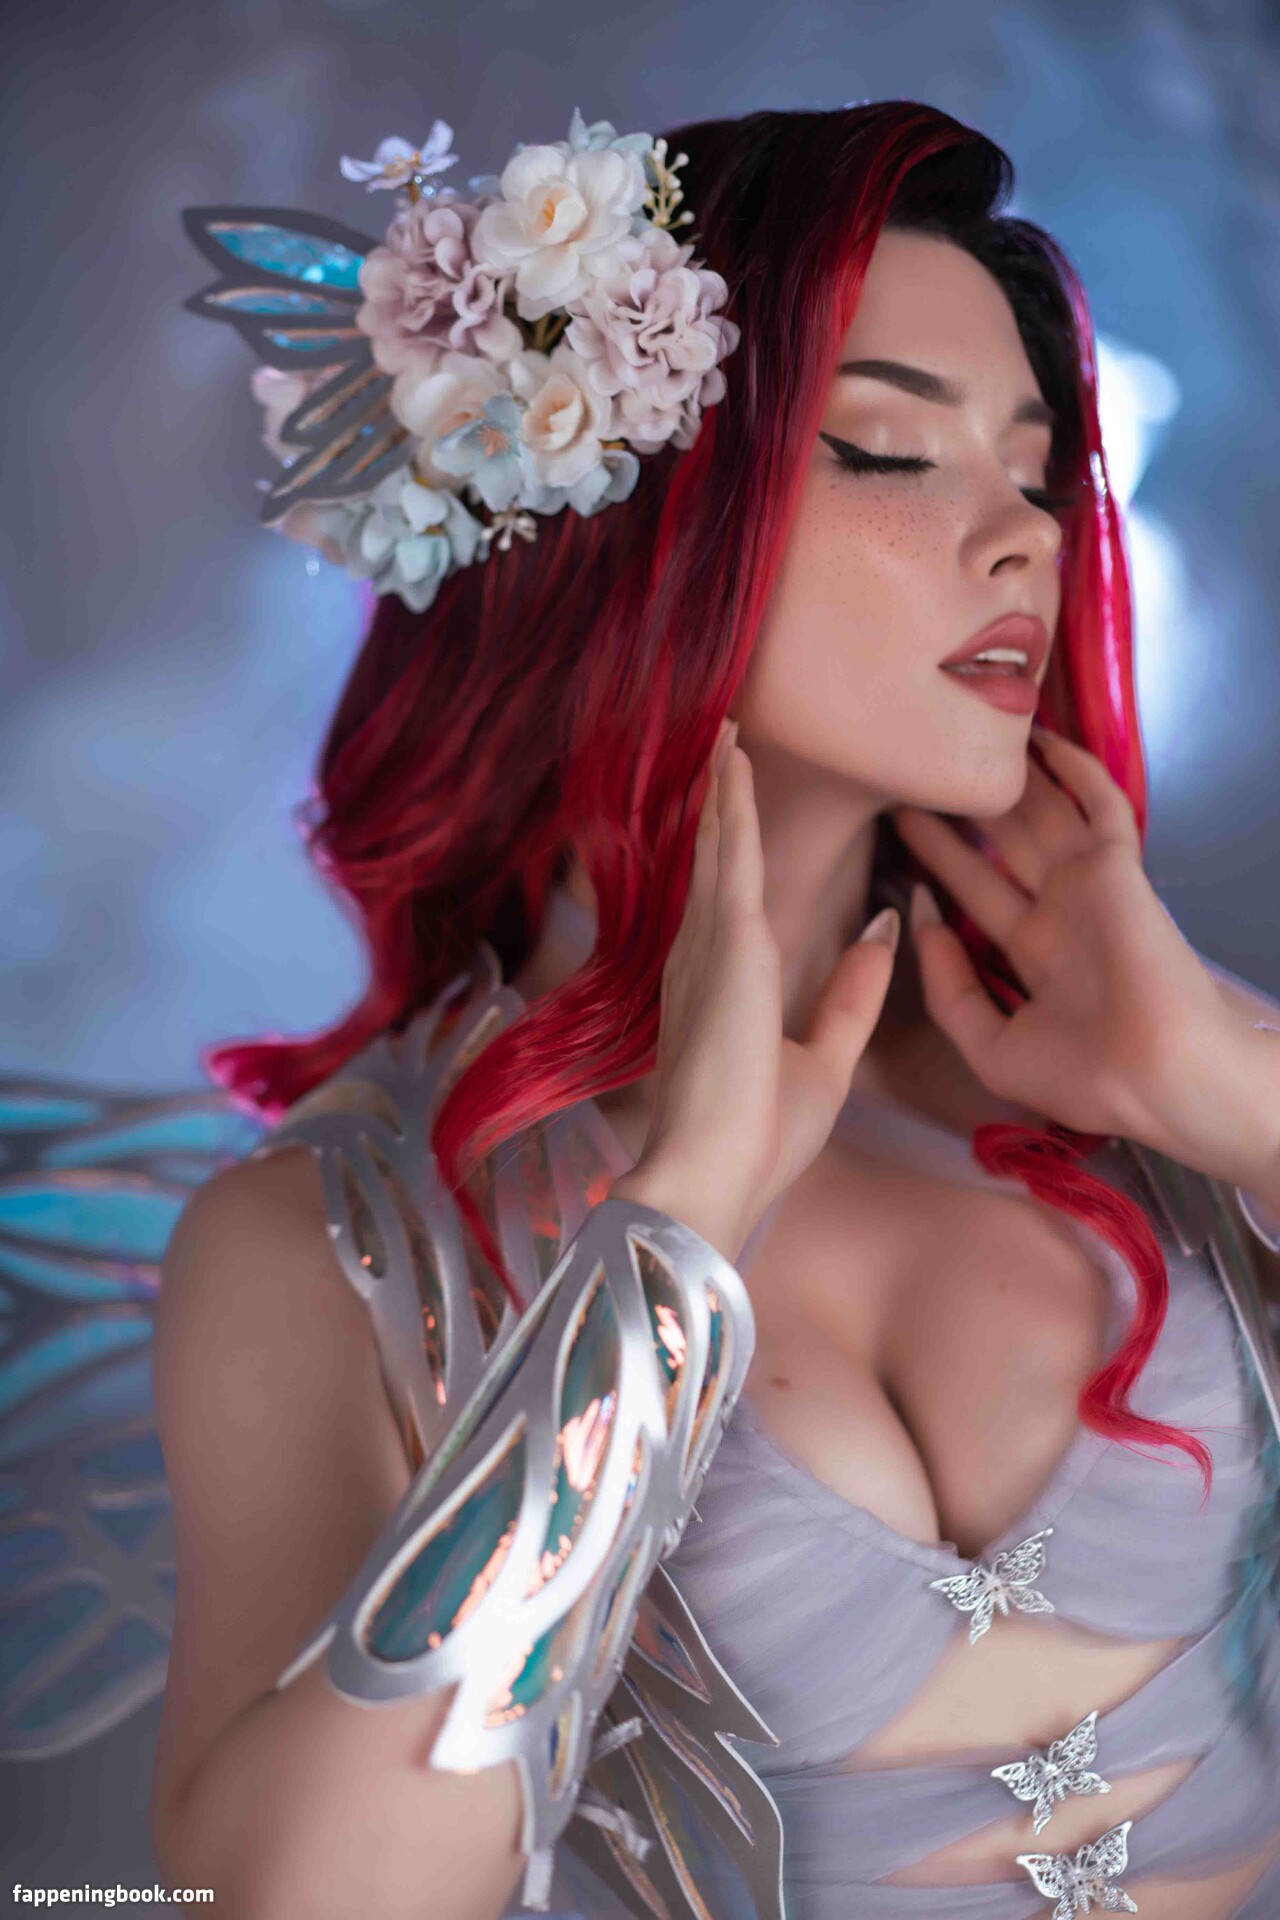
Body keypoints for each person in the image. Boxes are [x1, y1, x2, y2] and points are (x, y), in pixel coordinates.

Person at [121, 101, 1280, 1917]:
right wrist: (673, 1240)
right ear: (628, 524)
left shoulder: (1156, 1069)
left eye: (1040, 471)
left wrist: (1236, 1097)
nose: (1023, 542)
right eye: (890, 449)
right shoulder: (330, 1245)